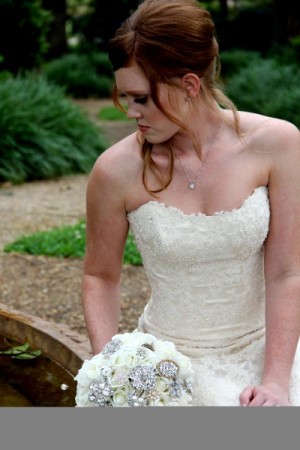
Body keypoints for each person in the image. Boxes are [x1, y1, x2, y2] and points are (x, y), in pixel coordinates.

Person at [81, 0, 300, 406]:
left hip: (274, 355)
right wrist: (113, 367)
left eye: (142, 99)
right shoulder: (114, 170)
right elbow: (100, 276)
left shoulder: (279, 144)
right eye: (124, 97)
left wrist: (275, 383)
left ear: (189, 85)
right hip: (170, 367)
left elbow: (287, 272)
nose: (131, 112)